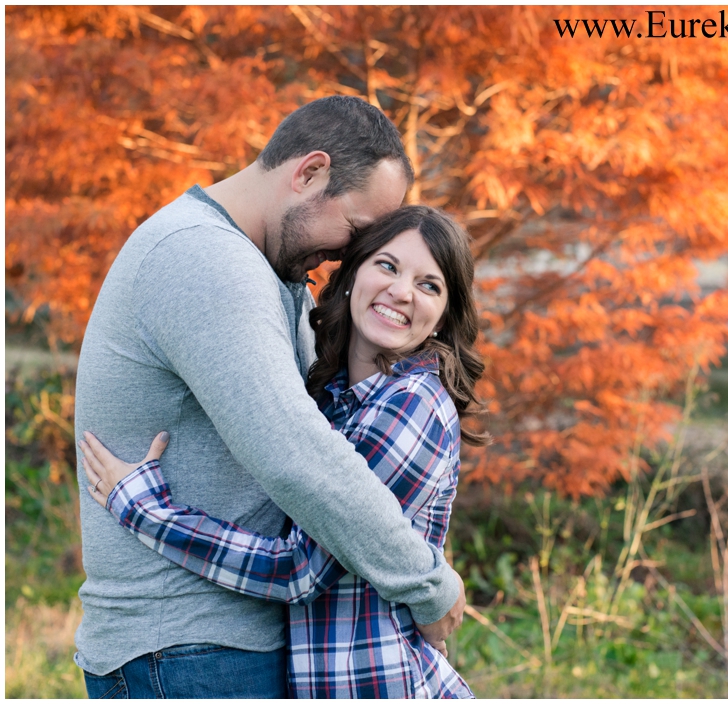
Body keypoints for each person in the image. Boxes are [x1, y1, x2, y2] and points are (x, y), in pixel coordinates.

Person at [74, 97, 465, 699]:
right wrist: (429, 584)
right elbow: (300, 457)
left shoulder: (266, 272)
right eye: (358, 235)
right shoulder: (208, 261)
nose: (345, 257)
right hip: (186, 648)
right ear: (309, 173)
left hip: (214, 644)